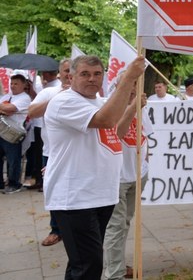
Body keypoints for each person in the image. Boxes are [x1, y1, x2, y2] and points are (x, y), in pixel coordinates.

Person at [43, 55, 145, 279]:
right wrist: (128, 78)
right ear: (71, 77)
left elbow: (114, 132)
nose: (92, 79)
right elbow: (106, 121)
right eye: (85, 74)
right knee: (89, 265)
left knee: (83, 262)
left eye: (97, 74)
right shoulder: (65, 101)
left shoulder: (99, 103)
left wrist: (132, 106)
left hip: (100, 195)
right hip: (76, 198)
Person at [103, 87, 149, 280]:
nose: (134, 91)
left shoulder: (142, 108)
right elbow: (117, 133)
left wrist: (146, 164)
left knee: (125, 222)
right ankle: (114, 273)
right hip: (118, 178)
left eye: (137, 87)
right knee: (115, 226)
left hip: (137, 175)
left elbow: (147, 136)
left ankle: (117, 264)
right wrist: (133, 107)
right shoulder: (110, 107)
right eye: (130, 86)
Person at [28, 59, 71, 246]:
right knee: (54, 191)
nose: (69, 74)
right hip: (51, 152)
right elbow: (33, 112)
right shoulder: (49, 92)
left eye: (73, 70)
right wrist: (56, 98)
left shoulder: (87, 93)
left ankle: (74, 229)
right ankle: (56, 229)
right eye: (66, 71)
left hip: (76, 154)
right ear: (59, 73)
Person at [0, 73, 32, 194]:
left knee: (13, 159)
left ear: (23, 85)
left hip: (13, 132)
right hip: (2, 130)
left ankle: (14, 183)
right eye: (11, 83)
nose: (13, 86)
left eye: (16, 83)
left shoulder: (25, 98)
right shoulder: (6, 97)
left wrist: (5, 109)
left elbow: (11, 109)